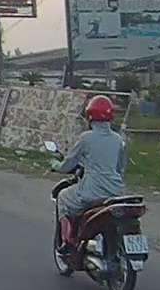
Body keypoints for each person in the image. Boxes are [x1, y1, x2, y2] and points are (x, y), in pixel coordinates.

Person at [52, 95, 126, 252]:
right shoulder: (118, 139)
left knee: (63, 197)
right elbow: (120, 169)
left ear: (90, 115)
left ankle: (67, 241)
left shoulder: (86, 138)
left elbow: (69, 163)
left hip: (92, 191)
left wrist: (56, 166)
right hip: (115, 192)